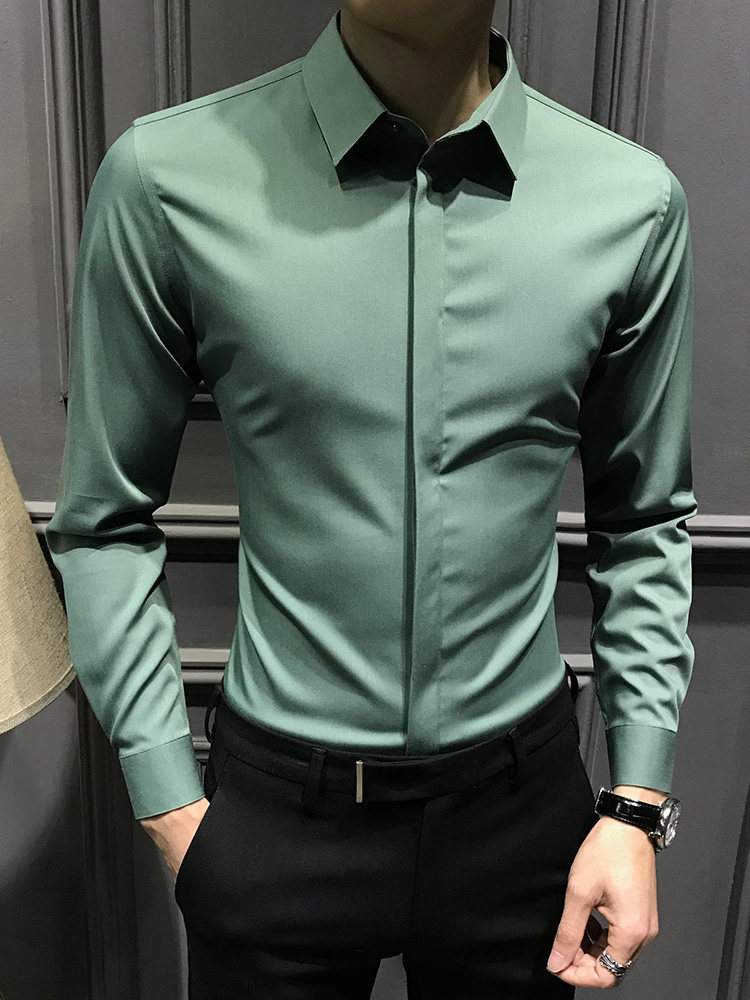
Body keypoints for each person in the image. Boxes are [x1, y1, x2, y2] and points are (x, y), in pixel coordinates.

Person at [45, 1, 697, 996]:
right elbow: (103, 521)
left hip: (521, 827)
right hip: (274, 824)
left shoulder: (631, 204)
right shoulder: (167, 180)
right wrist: (173, 807)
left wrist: (637, 800)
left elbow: (644, 518)